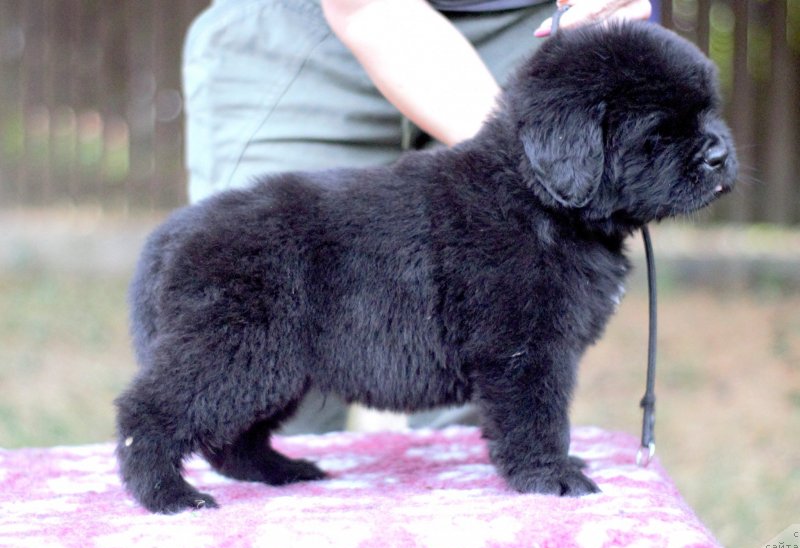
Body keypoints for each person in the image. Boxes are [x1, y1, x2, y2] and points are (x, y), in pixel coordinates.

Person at [181, 0, 653, 434]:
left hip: (527, 28)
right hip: (303, 33)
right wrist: (535, 152)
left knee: (495, 367)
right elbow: (364, 10)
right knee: (255, 365)